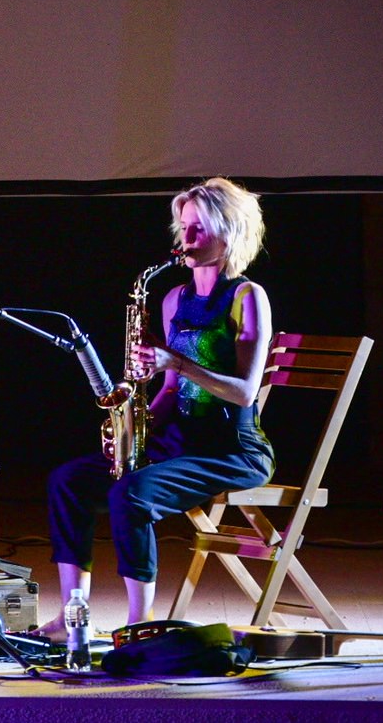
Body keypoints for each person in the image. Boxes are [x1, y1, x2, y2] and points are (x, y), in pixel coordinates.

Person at [38, 176, 274, 637]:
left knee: (132, 495)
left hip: (232, 450)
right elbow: (168, 390)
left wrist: (178, 363)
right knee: (67, 481)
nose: (185, 240)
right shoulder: (173, 299)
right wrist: (131, 423)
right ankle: (74, 618)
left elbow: (245, 392)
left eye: (198, 229)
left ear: (230, 233)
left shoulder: (248, 297)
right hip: (177, 442)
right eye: (183, 228)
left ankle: (138, 625)